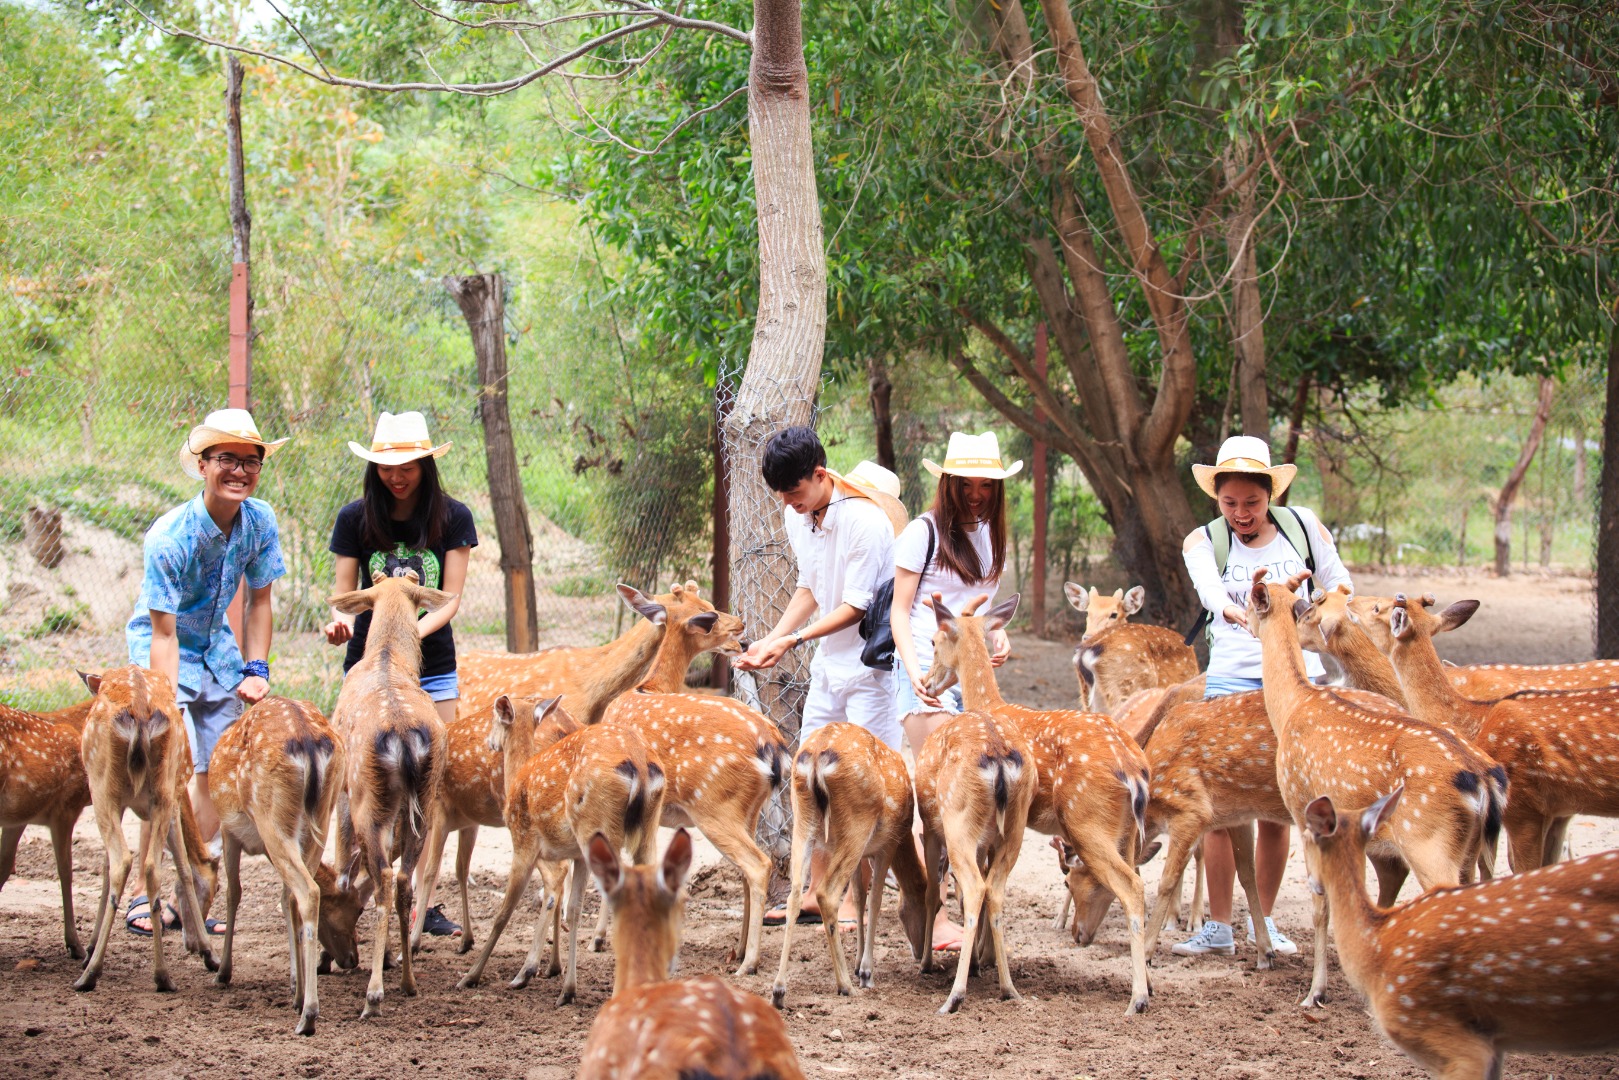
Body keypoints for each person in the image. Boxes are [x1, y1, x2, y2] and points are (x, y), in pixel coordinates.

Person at [1174, 434, 1351, 958]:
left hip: (1299, 683)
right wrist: (1236, 611)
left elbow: (1340, 585)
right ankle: (1220, 927)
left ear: (1270, 494)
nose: (1241, 513)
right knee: (1220, 808)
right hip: (1231, 679)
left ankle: (1264, 921)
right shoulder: (1203, 541)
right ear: (1217, 499)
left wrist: (1314, 607)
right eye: (1230, 503)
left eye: (1252, 502)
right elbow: (1210, 593)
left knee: (1280, 803)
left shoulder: (1304, 529)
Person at [123, 408, 288, 936]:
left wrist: (257, 666)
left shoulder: (259, 521)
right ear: (202, 466)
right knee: (169, 769)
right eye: (226, 460)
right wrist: (165, 700)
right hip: (164, 651)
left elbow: (259, 601)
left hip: (217, 649)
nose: (239, 471)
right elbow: (165, 634)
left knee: (214, 774)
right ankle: (141, 895)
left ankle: (191, 890)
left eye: (250, 462)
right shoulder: (168, 537)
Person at [734, 427, 900, 927]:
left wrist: (794, 642)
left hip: (872, 672)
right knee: (811, 777)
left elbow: (855, 606)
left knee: (865, 788)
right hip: (828, 666)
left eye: (795, 491)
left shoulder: (866, 523)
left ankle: (855, 900)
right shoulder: (796, 515)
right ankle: (815, 891)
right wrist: (772, 638)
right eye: (782, 494)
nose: (789, 502)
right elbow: (810, 586)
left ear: (821, 475)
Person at [323, 410, 477, 938]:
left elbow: (449, 600)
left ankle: (421, 901)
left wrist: (408, 635)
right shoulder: (354, 518)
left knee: (431, 786)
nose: (397, 475)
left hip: (430, 670)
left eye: (408, 464)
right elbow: (347, 596)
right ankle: (348, 889)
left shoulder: (454, 518)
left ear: (426, 464)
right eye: (387, 465)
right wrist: (342, 625)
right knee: (355, 789)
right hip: (368, 672)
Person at [889, 430, 1018, 951]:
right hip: (926, 669)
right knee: (944, 794)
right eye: (967, 484)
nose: (977, 494)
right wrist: (916, 668)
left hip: (972, 673)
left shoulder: (992, 535)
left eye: (985, 485)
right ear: (948, 482)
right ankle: (933, 909)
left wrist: (999, 635)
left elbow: (982, 612)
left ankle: (978, 916)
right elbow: (900, 609)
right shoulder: (922, 533)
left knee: (978, 792)